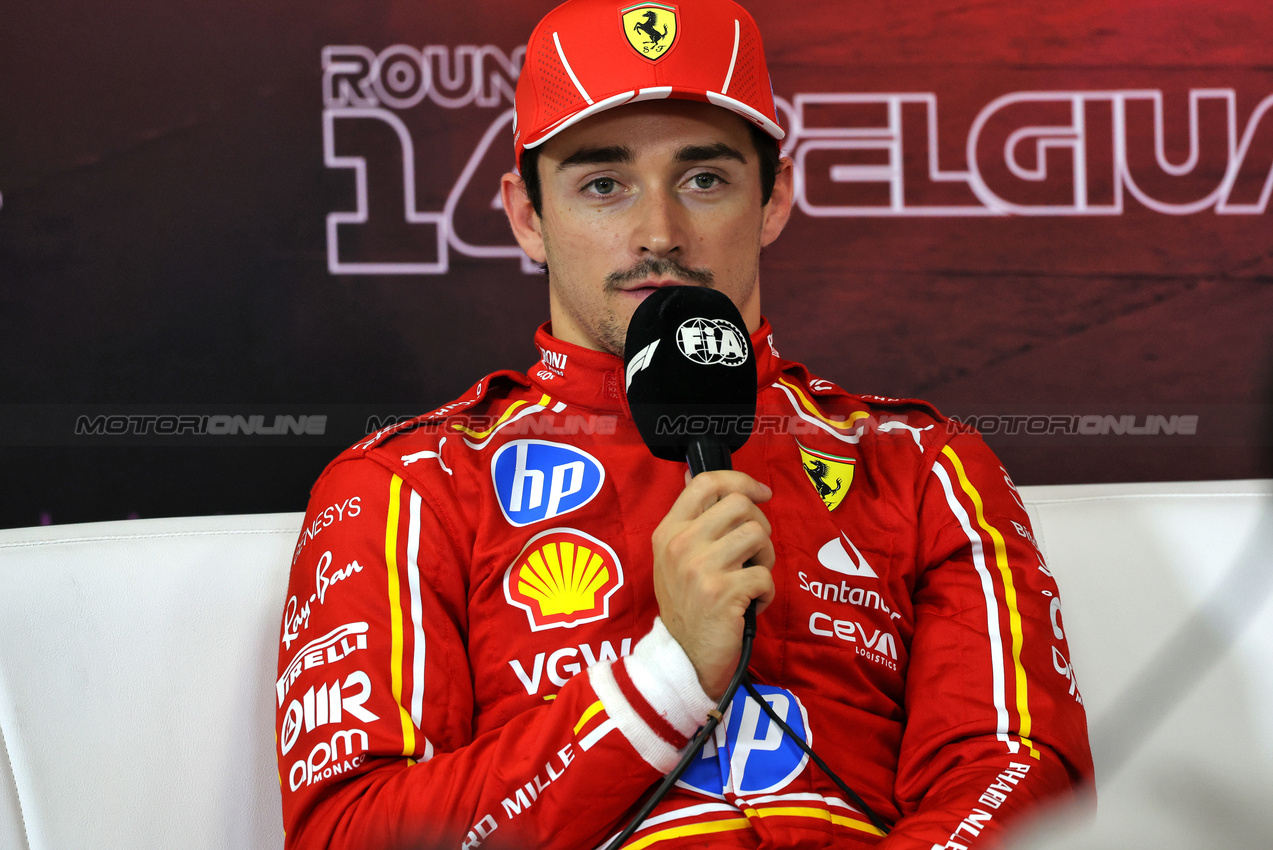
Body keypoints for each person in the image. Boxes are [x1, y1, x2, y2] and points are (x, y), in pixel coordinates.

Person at [274, 1, 1093, 847]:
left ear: (773, 199)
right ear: (527, 217)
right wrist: (666, 678)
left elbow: (1019, 772)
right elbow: (352, 833)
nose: (658, 233)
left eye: (704, 180)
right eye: (603, 185)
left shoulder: (920, 464)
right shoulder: (408, 487)